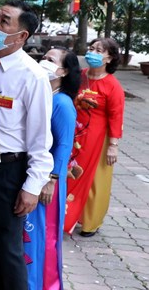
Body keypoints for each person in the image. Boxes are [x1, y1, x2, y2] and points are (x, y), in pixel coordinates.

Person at [0, 0, 53, 290]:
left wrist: (32, 187)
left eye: (4, 21)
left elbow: (40, 140)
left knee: (8, 250)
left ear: (21, 36)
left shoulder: (32, 77)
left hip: (9, 170)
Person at [24, 47, 80, 290]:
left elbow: (64, 145)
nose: (43, 61)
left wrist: (51, 180)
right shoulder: (43, 95)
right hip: (34, 175)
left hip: (48, 183)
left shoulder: (62, 103)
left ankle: (45, 284)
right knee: (29, 237)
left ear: (64, 71)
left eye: (50, 60)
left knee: (43, 237)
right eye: (43, 57)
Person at [65, 38, 124, 237]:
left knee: (93, 179)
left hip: (96, 138)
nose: (93, 53)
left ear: (110, 58)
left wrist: (113, 145)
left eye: (99, 50)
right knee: (67, 172)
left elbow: (116, 115)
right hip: (72, 132)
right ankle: (64, 216)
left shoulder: (112, 85)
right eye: (91, 48)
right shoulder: (79, 76)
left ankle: (90, 221)